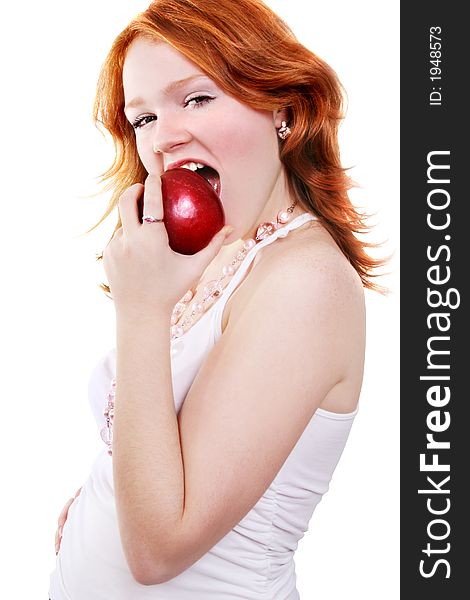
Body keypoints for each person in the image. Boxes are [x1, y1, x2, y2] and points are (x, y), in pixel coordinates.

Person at [49, 0, 385, 598]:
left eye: (197, 98)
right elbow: (179, 447)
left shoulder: (305, 280)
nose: (165, 138)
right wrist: (108, 492)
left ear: (280, 105)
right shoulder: (222, 257)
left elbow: (159, 549)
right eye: (143, 118)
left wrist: (141, 310)